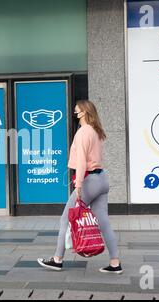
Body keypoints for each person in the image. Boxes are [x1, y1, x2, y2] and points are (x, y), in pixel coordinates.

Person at [37, 100, 123, 274]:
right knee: (103, 221)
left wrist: (78, 185)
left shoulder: (83, 132)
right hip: (102, 179)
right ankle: (115, 263)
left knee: (65, 218)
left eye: (77, 109)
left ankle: (57, 260)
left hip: (89, 180)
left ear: (83, 111)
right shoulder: (96, 131)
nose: (75, 111)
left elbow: (82, 160)